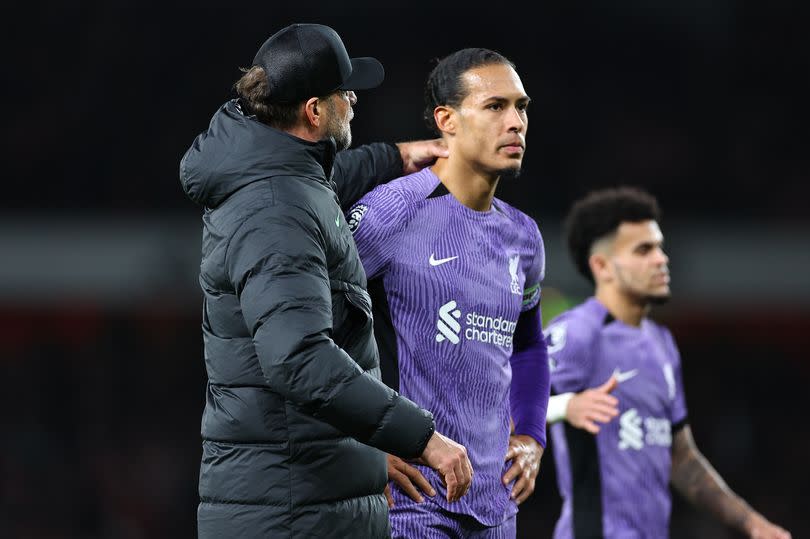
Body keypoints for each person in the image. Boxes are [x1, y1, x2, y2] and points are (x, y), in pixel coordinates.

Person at [178, 23, 474, 538]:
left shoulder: (274, 170)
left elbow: (321, 179)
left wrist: (397, 158)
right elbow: (298, 359)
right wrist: (421, 437)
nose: (354, 98)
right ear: (315, 111)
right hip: (290, 514)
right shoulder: (275, 209)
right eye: (344, 90)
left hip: (298, 495)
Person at [347, 48, 550, 538]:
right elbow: (320, 333)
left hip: (496, 506)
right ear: (447, 120)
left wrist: (532, 436)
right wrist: (362, 445)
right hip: (411, 503)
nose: (516, 122)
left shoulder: (524, 237)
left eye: (521, 107)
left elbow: (528, 347)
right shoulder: (389, 212)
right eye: (495, 106)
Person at [543, 186, 791, 538]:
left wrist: (752, 523)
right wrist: (566, 405)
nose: (661, 259)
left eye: (659, 246)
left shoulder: (662, 344)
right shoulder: (578, 333)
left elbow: (682, 459)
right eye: (644, 250)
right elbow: (501, 414)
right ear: (602, 266)